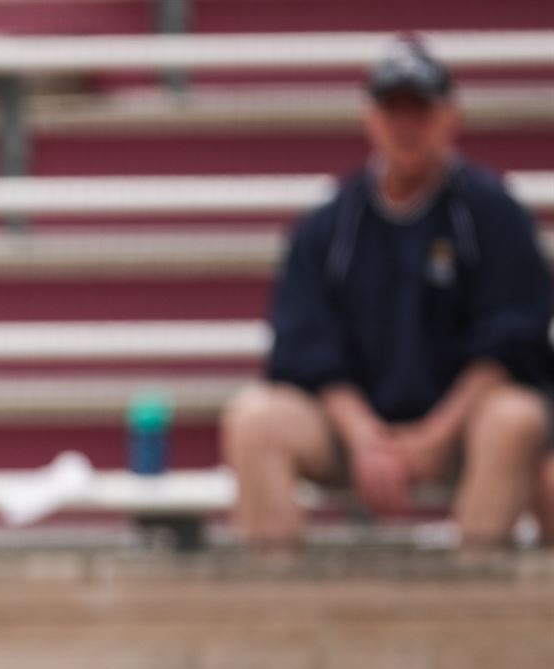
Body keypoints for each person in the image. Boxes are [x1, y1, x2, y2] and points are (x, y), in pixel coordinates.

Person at [222, 35, 554, 548]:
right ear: (370, 120)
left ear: (449, 117)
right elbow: (304, 347)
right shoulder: (330, 224)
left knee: (516, 418)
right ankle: (279, 609)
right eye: (393, 110)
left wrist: (436, 434)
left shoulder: (493, 213)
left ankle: (476, 599)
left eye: (419, 109)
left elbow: (514, 341)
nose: (406, 125)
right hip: (350, 431)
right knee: (253, 418)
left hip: (463, 428)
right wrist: (364, 436)